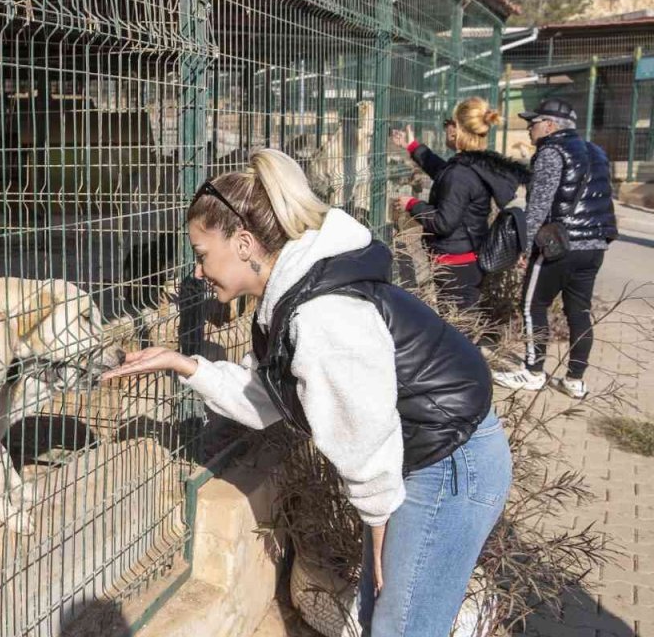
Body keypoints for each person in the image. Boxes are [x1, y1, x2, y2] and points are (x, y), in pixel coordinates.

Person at [100, 149, 511, 636]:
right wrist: (182, 364)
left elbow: (363, 429)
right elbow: (265, 398)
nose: (197, 272)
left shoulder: (320, 315)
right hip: (424, 455)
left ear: (246, 243)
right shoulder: (293, 295)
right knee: (383, 616)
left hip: (449, 463)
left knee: (401, 627)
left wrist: (378, 522)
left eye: (203, 254)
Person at [491, 98, 617, 399]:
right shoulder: (597, 152)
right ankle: (575, 380)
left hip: (559, 245)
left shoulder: (551, 151)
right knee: (579, 311)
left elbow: (538, 206)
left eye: (532, 123)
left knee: (532, 305)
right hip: (595, 246)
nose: (528, 128)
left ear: (549, 125)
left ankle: (533, 372)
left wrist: (524, 247)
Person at [389, 96, 529, 313]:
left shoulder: (461, 174)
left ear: (455, 129)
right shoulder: (474, 165)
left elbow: (443, 222)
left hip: (455, 264)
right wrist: (413, 147)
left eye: (448, 123)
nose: (445, 128)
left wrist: (412, 204)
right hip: (466, 259)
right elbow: (444, 174)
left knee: (459, 332)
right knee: (462, 326)